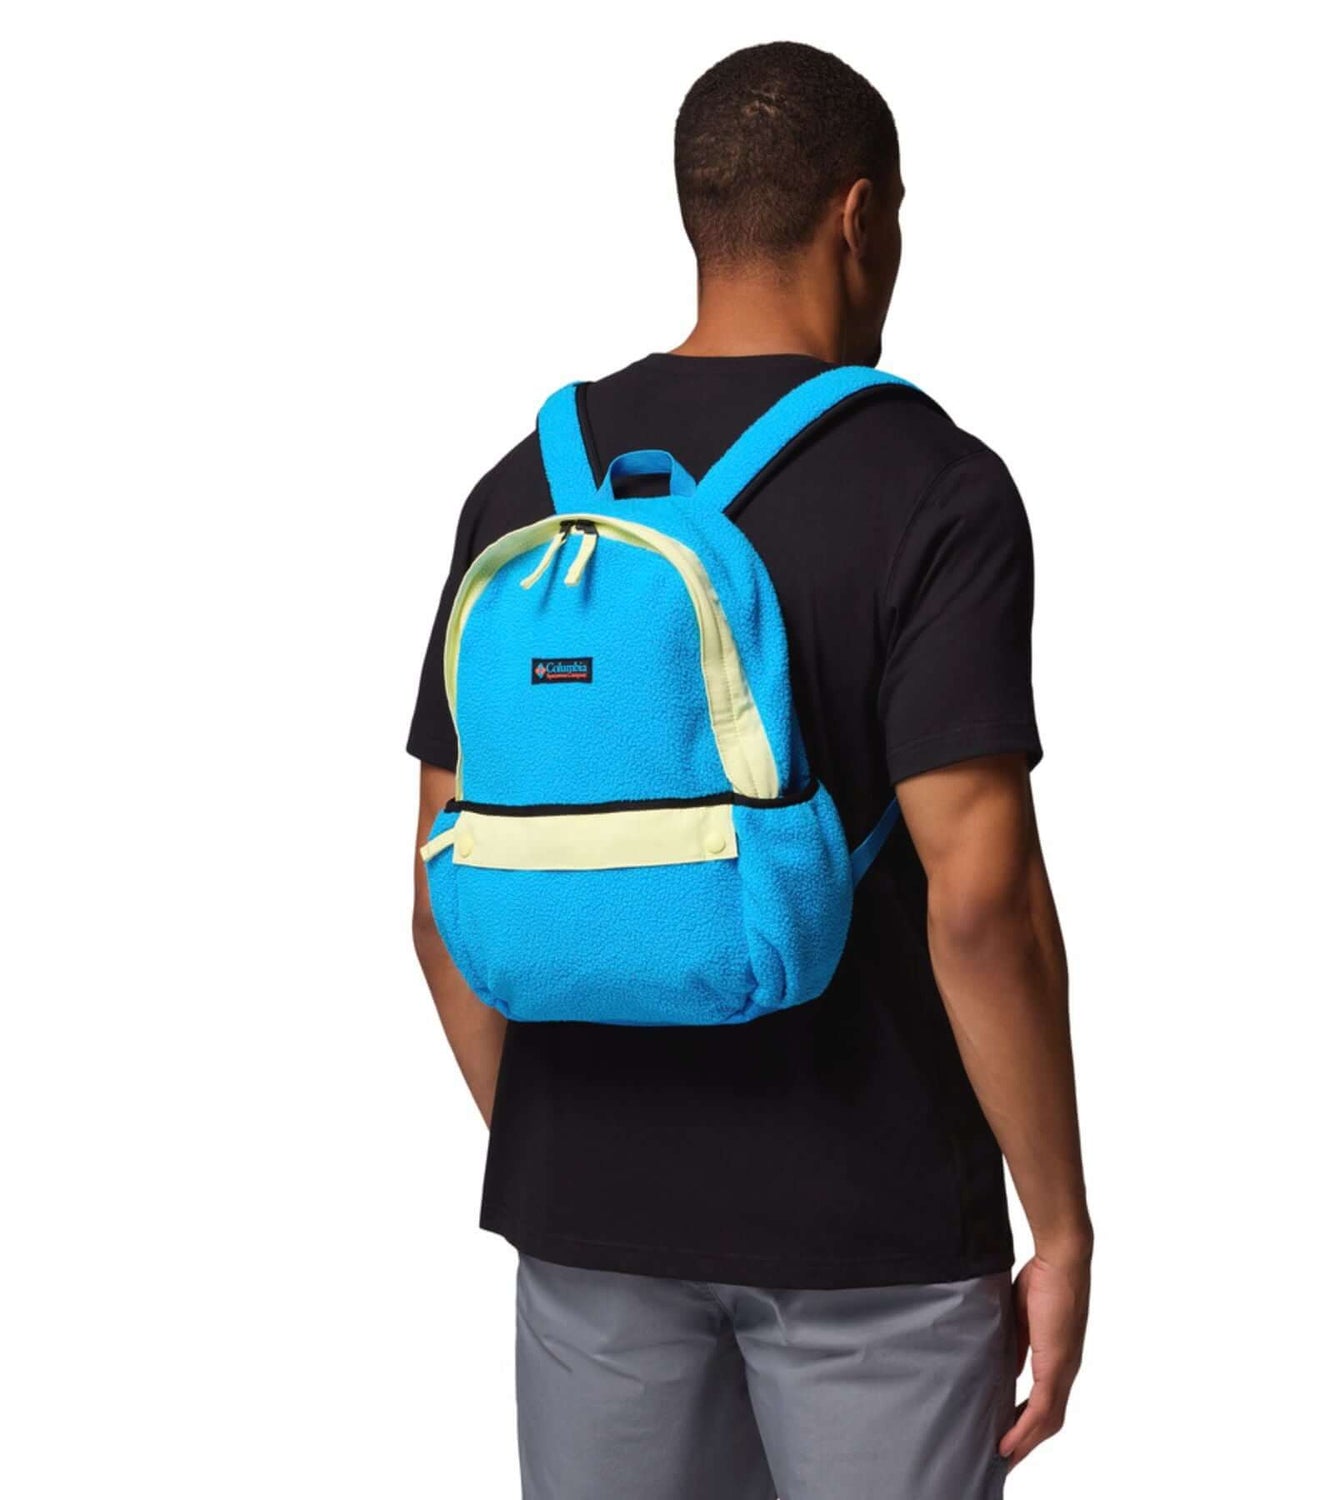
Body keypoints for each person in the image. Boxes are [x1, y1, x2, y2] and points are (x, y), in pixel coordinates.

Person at [407, 40, 1091, 1500]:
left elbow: (440, 894)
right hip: (875, 1234)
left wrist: (582, 1162)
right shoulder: (937, 489)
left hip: (586, 1232)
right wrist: (1063, 1224)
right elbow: (982, 903)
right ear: (860, 216)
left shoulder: (524, 494)